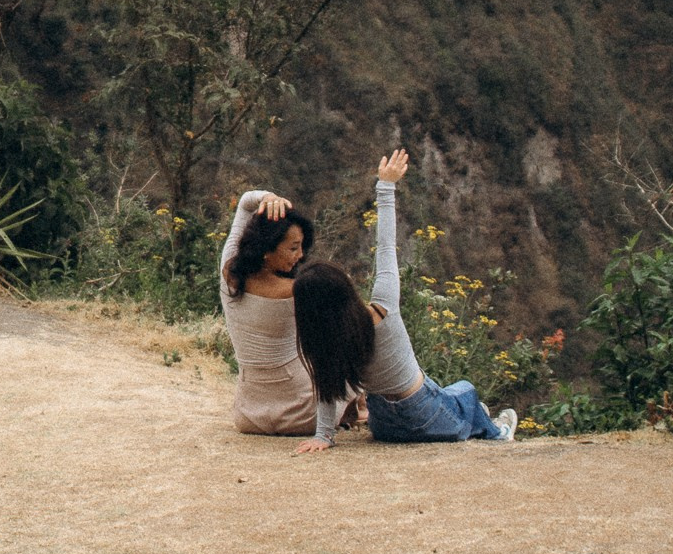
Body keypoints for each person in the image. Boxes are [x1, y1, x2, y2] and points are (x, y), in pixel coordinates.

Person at [291, 149, 518, 451]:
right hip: (423, 413)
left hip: (383, 424)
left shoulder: (327, 344)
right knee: (466, 390)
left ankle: (469, 418)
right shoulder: (385, 309)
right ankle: (498, 433)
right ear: (345, 290)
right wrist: (385, 186)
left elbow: (328, 392)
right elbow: (385, 247)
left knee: (447, 393)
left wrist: (323, 436)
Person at [218, 188, 320, 435]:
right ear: (267, 249)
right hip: (304, 413)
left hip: (249, 415)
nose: (301, 255)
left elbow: (244, 203)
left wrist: (266, 198)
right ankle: (360, 408)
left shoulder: (229, 268)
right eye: (293, 248)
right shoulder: (296, 290)